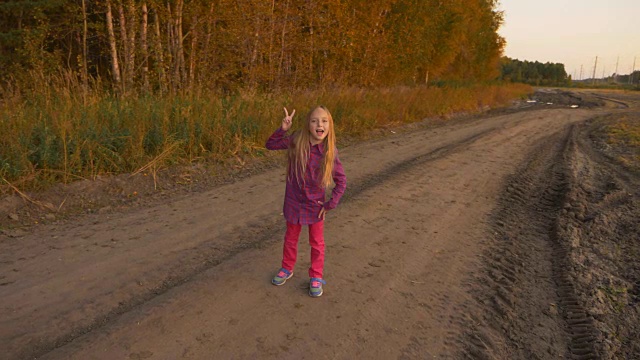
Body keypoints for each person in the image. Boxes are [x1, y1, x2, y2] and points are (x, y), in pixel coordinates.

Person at [265, 105, 347, 297]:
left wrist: (330, 204)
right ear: (308, 125)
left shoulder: (329, 151)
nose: (320, 124)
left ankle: (316, 275)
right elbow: (271, 145)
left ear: (330, 126)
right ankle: (287, 268)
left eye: (324, 121)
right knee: (290, 238)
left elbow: (341, 181)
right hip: (293, 203)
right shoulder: (296, 141)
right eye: (315, 121)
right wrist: (283, 129)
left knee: (317, 243)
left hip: (315, 207)